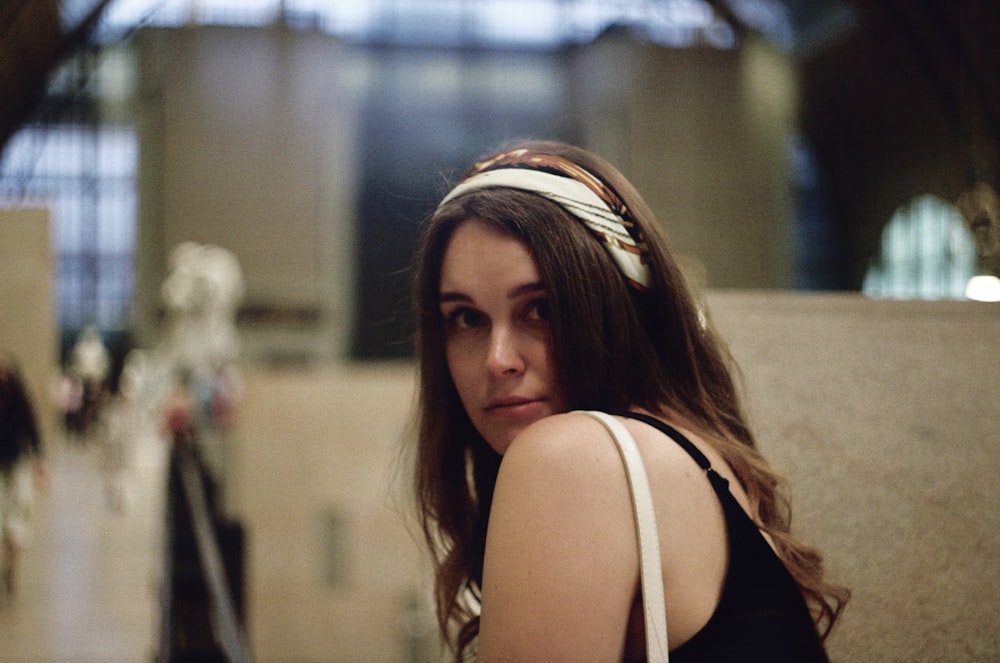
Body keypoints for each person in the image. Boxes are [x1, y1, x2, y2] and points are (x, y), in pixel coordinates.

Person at [411, 140, 849, 661]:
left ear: (618, 308)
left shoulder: (571, 459)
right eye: (466, 318)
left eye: (542, 309)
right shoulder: (695, 456)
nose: (497, 360)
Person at [0, 356, 46, 600]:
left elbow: (33, 431)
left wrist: (39, 461)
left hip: (17, 466)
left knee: (16, 521)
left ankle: (11, 568)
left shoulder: (20, 402)